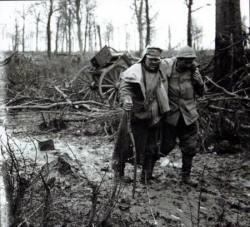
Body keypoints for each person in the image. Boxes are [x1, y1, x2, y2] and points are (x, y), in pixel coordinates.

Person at [112, 46, 170, 184]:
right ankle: (119, 174)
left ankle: (146, 176)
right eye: (151, 59)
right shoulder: (133, 71)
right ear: (144, 58)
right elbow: (124, 87)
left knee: (151, 146)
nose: (154, 62)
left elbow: (177, 61)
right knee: (125, 145)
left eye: (157, 60)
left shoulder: (162, 69)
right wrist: (126, 99)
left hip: (154, 114)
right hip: (134, 113)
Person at [161, 46, 205, 186]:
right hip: (171, 115)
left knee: (190, 147)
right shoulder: (168, 67)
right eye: (185, 61)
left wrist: (199, 82)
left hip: (189, 116)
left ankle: (186, 177)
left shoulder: (194, 71)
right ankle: (147, 173)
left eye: (191, 61)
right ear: (178, 60)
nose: (188, 64)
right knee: (165, 146)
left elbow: (202, 93)